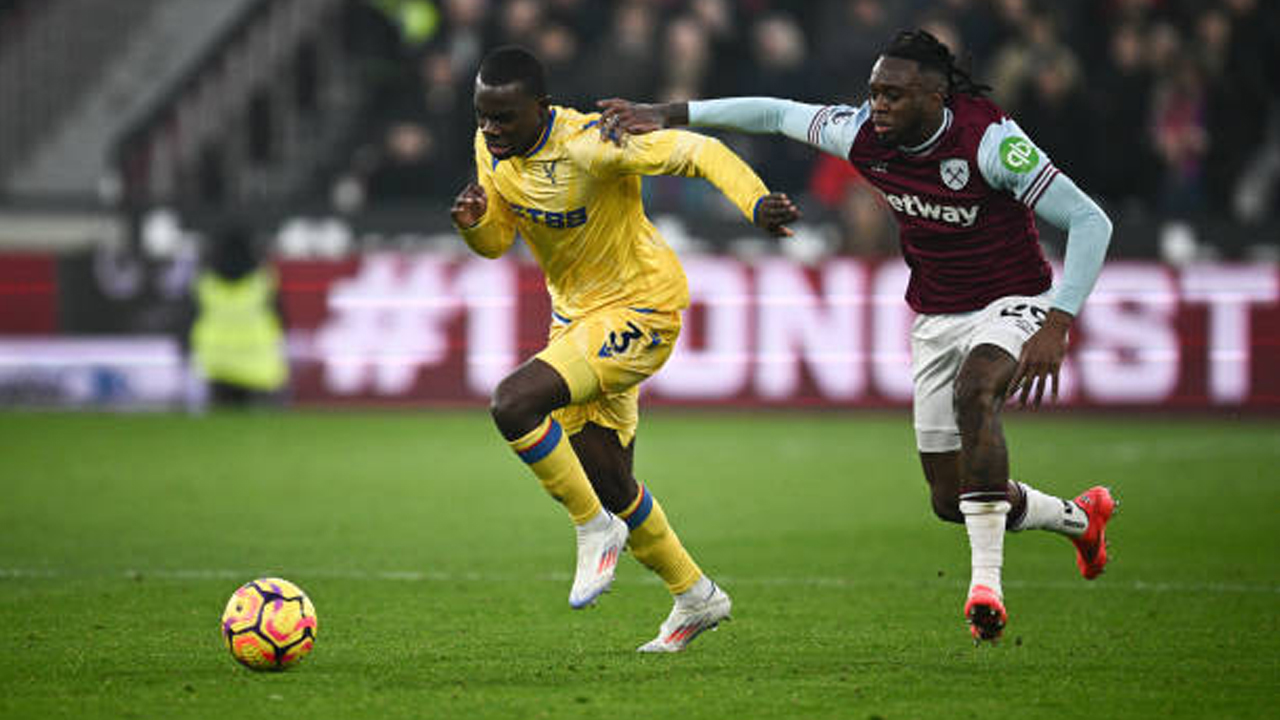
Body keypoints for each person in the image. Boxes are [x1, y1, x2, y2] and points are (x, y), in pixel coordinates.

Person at [598, 29, 1117, 644]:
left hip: (1014, 298)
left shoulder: (990, 142)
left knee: (976, 391)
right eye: (874, 92)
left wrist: (1058, 319)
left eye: (893, 95)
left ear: (935, 96)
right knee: (950, 498)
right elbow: (775, 114)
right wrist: (667, 113)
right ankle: (1079, 519)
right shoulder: (863, 134)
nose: (878, 105)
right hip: (937, 314)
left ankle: (986, 589)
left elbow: (1089, 219)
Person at [449, 46, 800, 652]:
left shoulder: (591, 144)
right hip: (576, 320)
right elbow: (500, 239)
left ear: (541, 107)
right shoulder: (492, 148)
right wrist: (476, 224)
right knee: (609, 479)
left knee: (513, 403)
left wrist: (755, 202)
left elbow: (698, 151)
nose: (490, 128)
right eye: (482, 115)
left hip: (642, 308)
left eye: (503, 117)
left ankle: (591, 528)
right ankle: (695, 594)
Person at [189, 220, 289, 408]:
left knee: (220, 420)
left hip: (217, 360)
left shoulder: (205, 281)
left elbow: (190, 317)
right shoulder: (263, 280)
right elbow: (281, 317)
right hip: (257, 361)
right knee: (259, 419)